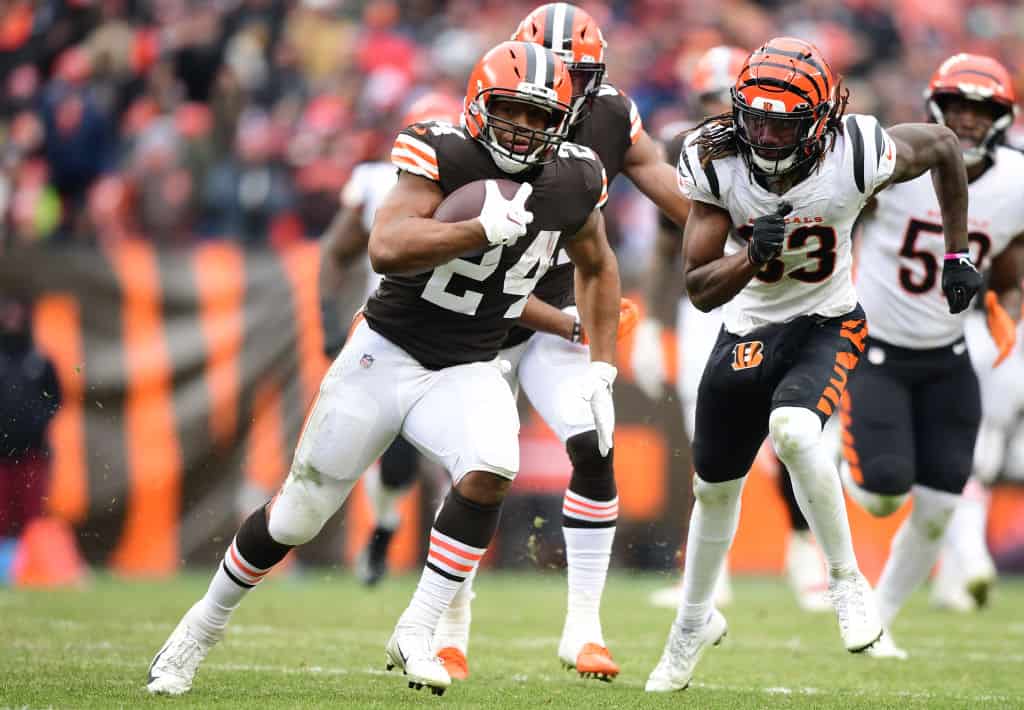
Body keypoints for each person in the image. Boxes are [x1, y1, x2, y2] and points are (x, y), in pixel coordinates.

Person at [146, 40, 622, 697]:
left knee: (492, 469)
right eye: (513, 110)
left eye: (543, 116)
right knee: (296, 517)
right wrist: (477, 229)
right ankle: (199, 628)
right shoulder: (442, 153)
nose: (526, 128)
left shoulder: (575, 176)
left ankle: (418, 629)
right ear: (481, 106)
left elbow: (597, 264)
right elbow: (387, 245)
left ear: (565, 120)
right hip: (386, 352)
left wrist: (602, 367)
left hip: (470, 362)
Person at [645, 37, 978, 693]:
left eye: (784, 123)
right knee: (713, 491)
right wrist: (750, 257)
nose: (766, 136)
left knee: (797, 431)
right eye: (757, 119)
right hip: (745, 326)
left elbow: (942, 148)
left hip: (827, 321)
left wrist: (956, 254)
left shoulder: (858, 149)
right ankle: (692, 623)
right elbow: (700, 286)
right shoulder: (714, 158)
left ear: (822, 120)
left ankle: (846, 580)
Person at [425, 2, 687, 682]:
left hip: (560, 302)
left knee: (593, 438)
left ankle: (584, 629)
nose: (553, 91)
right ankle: (449, 629)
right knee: (471, 467)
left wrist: (739, 230)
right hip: (479, 315)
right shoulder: (483, 122)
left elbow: (671, 191)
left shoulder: (610, 116)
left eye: (575, 76)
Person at [839, 53, 1022, 657]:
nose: (967, 121)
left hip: (948, 353)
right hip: (878, 351)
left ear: (1002, 117)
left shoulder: (1016, 182)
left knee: (943, 503)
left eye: (981, 110)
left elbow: (1011, 262)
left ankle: (879, 621)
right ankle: (830, 456)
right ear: (935, 107)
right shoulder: (899, 161)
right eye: (959, 108)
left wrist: (1008, 303)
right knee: (886, 491)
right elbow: (838, 217)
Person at [638, 45, 831, 614]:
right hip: (715, 301)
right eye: (706, 101)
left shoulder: (809, 148)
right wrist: (651, 320)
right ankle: (708, 573)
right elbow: (669, 244)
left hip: (790, 300)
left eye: (723, 102)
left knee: (794, 432)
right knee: (712, 437)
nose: (717, 117)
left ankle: (807, 554)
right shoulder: (691, 152)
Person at [318, 91, 463, 589]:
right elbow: (335, 253)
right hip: (393, 336)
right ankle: (383, 529)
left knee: (465, 456)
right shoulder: (379, 182)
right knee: (395, 464)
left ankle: (451, 584)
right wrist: (327, 322)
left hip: (460, 338)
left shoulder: (481, 188)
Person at [0, 295, 62, 581]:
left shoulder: (38, 360)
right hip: (1, 452)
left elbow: (57, 400)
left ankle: (28, 568)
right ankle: (6, 568)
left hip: (31, 452)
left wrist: (36, 424)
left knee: (31, 513)